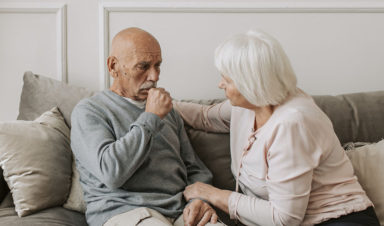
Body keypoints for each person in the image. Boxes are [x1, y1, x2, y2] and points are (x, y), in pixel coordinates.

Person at [173, 30, 380, 226]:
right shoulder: (249, 106)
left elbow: (284, 219)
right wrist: (157, 102)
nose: (220, 84)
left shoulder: (292, 123)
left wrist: (212, 194)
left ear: (250, 83)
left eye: (227, 79)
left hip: (339, 220)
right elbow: (204, 117)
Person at [70, 27, 224, 226]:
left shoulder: (168, 111)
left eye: (157, 65)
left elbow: (195, 169)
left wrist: (198, 201)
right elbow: (111, 173)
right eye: (143, 66)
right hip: (126, 212)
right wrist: (151, 117)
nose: (154, 76)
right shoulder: (90, 111)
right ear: (113, 66)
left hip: (180, 211)